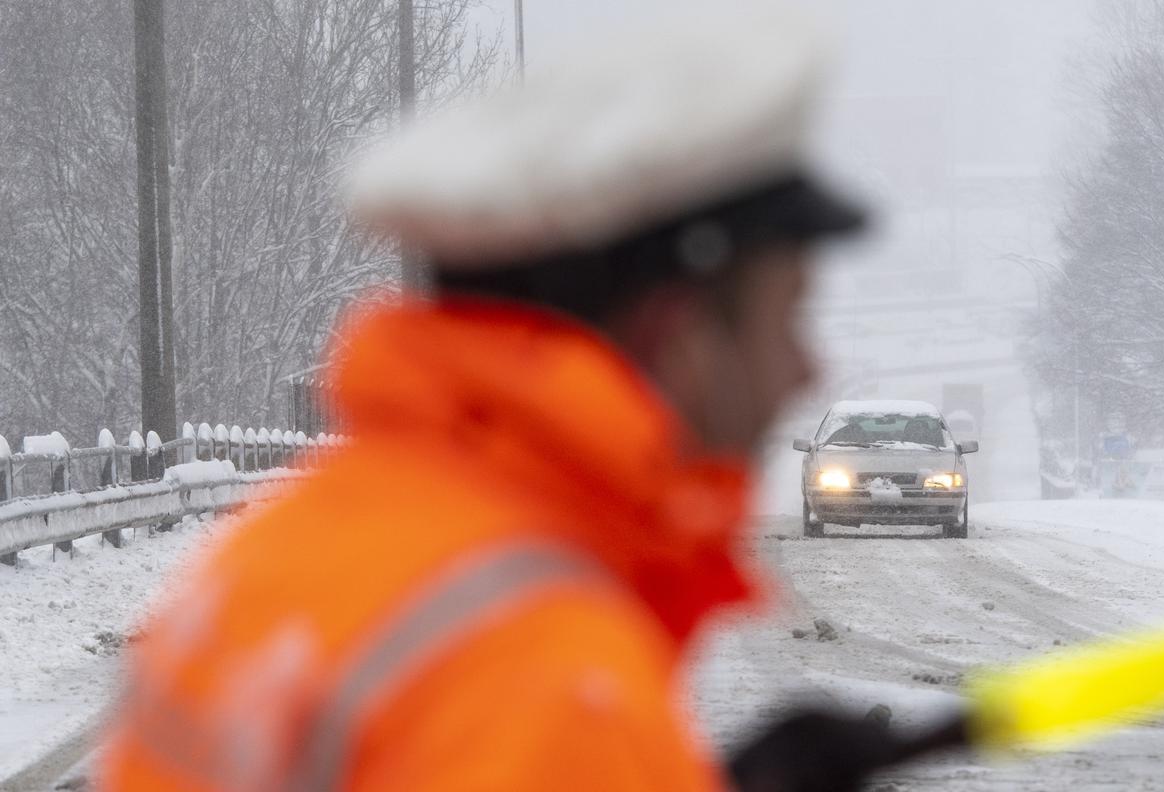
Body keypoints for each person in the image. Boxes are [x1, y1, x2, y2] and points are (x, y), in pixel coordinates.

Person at [101, 3, 881, 791]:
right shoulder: (545, 681)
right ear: (678, 334)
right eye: (787, 316)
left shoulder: (286, 547)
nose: (805, 369)